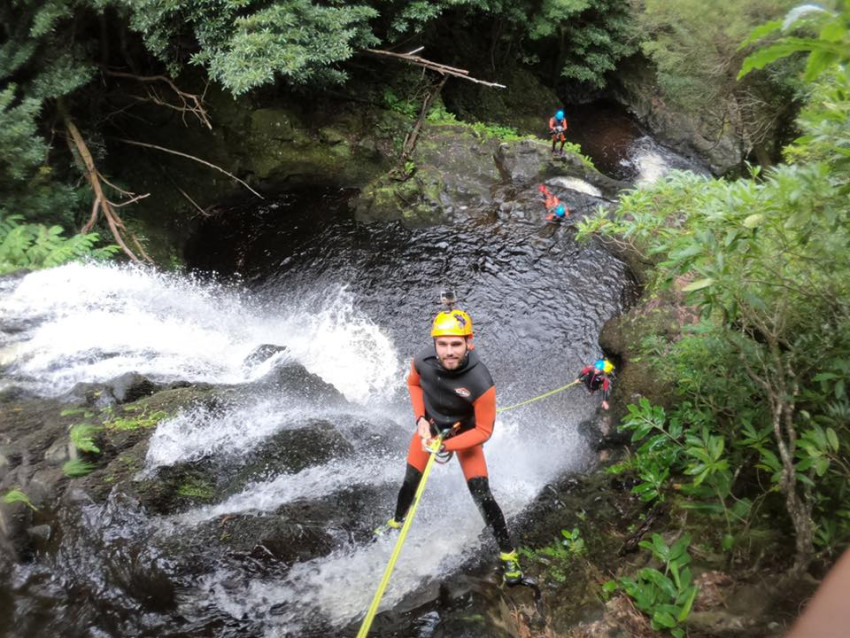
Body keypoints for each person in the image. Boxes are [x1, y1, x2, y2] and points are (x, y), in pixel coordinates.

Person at [376, 309, 523, 585]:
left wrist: (447, 445)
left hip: (465, 435)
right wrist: (420, 420)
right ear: (434, 344)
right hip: (430, 429)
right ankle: (396, 521)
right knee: (410, 481)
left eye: (456, 344)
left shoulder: (480, 381)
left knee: (482, 494)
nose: (449, 351)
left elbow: (484, 431)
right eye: (442, 344)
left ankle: (509, 554)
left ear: (469, 343)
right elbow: (413, 384)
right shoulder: (422, 361)